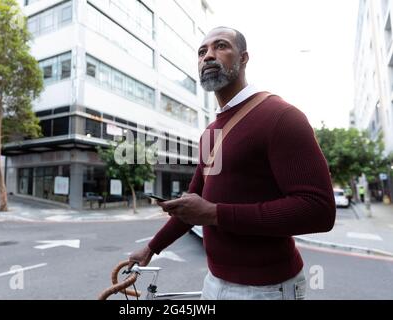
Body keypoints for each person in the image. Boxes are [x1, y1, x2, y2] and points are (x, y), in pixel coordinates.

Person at [129, 27, 336, 300]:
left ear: (244, 58)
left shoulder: (281, 116)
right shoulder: (211, 133)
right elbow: (196, 202)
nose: (208, 56)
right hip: (214, 283)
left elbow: (318, 211)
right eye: (202, 52)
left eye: (221, 47)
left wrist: (215, 213)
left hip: (267, 289)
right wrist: (151, 247)